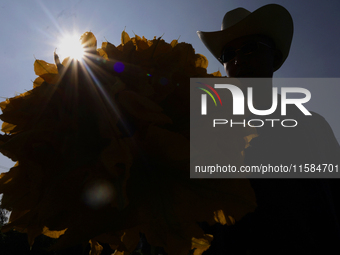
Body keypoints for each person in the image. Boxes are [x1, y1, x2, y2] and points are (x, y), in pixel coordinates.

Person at [197, 4, 340, 254]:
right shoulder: (206, 126)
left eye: (250, 47)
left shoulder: (312, 124)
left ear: (274, 57)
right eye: (228, 54)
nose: (238, 59)